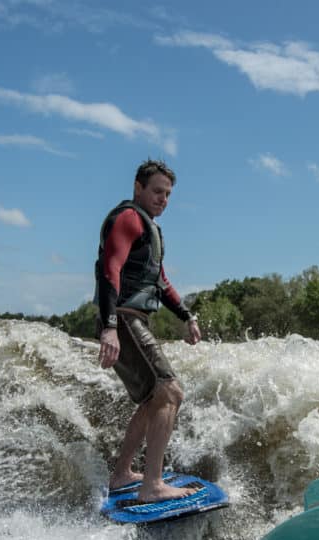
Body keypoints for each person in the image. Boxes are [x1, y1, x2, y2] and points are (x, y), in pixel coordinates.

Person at [94, 159, 202, 502]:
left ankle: (123, 473)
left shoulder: (150, 229)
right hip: (123, 318)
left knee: (152, 399)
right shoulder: (127, 218)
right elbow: (109, 271)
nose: (163, 199)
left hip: (133, 319)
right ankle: (152, 485)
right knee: (171, 393)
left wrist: (187, 316)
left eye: (168, 194)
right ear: (138, 187)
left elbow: (160, 281)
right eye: (157, 191)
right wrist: (109, 327)